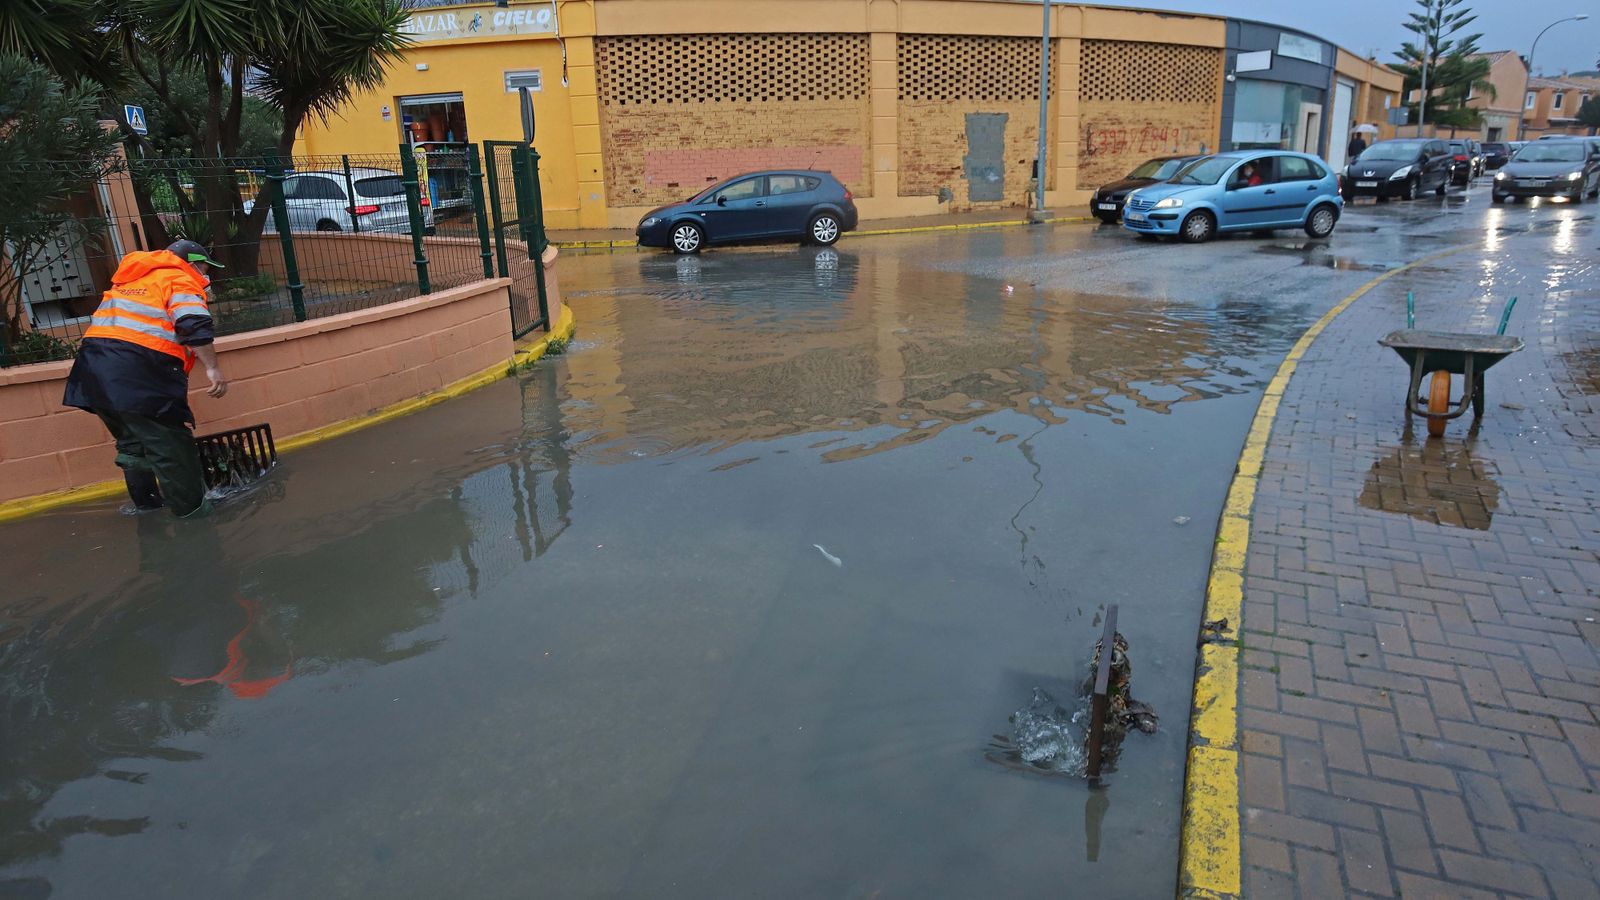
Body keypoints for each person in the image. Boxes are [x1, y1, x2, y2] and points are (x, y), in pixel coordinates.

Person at [63, 239, 230, 517]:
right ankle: (195, 516)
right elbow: (193, 324)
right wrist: (213, 368)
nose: (206, 275)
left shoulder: (130, 282)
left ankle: (147, 507)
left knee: (133, 443)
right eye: (204, 267)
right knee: (172, 448)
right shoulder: (180, 279)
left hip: (93, 373)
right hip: (138, 374)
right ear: (191, 264)